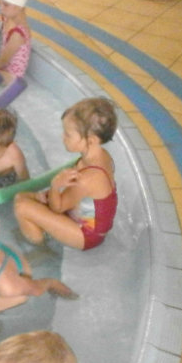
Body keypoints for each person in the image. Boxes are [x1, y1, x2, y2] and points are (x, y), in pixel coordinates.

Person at [14, 97, 118, 251]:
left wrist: (55, 186)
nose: (63, 137)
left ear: (91, 140)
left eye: (68, 134)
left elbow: (58, 208)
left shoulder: (89, 179)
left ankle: (40, 248)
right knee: (21, 196)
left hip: (87, 234)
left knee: (22, 207)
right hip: (79, 213)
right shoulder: (102, 155)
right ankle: (42, 230)